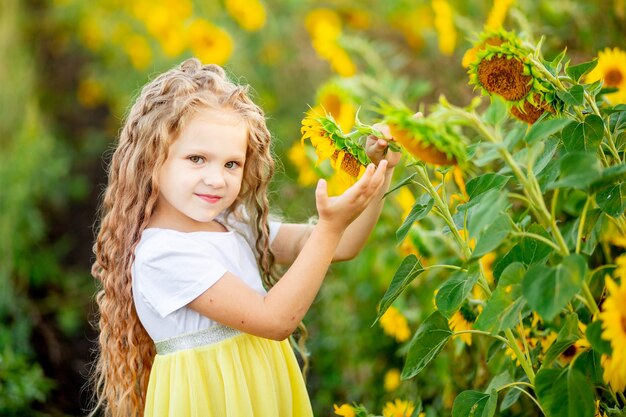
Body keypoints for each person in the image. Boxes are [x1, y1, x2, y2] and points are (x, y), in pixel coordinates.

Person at [89, 57, 401, 417]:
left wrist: (379, 172)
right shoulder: (163, 253)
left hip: (261, 394)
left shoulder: (233, 221)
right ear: (151, 158)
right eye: (196, 159)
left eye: (231, 164)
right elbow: (275, 320)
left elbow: (342, 246)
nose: (217, 179)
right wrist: (330, 226)